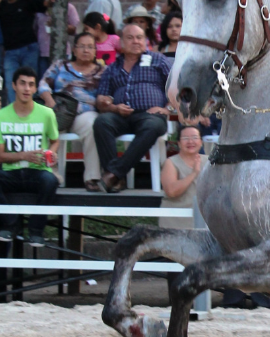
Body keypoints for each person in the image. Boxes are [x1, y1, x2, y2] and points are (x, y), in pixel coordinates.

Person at [93, 24, 172, 193]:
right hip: (120, 114)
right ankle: (116, 178)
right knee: (101, 122)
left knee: (153, 126)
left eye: (139, 37)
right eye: (130, 38)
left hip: (149, 115)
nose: (136, 41)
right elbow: (101, 99)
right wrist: (112, 107)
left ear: (145, 41)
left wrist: (168, 108)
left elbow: (177, 86)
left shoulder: (158, 60)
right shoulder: (112, 68)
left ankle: (113, 175)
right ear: (121, 42)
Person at [38, 32, 106, 191]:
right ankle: (50, 172)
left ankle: (92, 177)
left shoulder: (102, 71)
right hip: (59, 109)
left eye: (90, 47)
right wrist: (49, 101)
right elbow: (42, 84)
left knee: (92, 124)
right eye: (82, 46)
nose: (86, 50)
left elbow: (107, 93)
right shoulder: (60, 65)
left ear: (95, 51)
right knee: (48, 120)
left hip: (84, 113)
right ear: (74, 50)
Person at [0, 66, 59, 245]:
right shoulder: (2, 115)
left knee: (51, 181)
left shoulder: (47, 114)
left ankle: (36, 230)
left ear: (35, 89)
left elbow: (55, 140)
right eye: (22, 84)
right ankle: (10, 224)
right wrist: (23, 155)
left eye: (31, 85)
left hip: (37, 171)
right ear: (14, 86)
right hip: (11, 173)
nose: (27, 88)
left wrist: (52, 153)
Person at [0, 0, 50, 100]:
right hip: (10, 52)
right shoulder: (2, 5)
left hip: (29, 49)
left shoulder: (27, 2)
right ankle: (13, 114)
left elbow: (45, 4)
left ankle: (29, 113)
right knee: (11, 84)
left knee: (29, 83)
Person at [34, 0, 79, 79]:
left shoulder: (68, 7)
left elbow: (74, 30)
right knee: (43, 82)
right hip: (43, 53)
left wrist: (58, 25)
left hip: (61, 51)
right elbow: (35, 29)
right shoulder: (39, 9)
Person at [161, 125, 202, 228]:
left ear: (201, 142)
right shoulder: (170, 162)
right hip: (176, 222)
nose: (190, 141)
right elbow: (171, 191)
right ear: (178, 143)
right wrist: (193, 173)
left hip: (202, 222)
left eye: (194, 137)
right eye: (185, 138)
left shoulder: (210, 162)